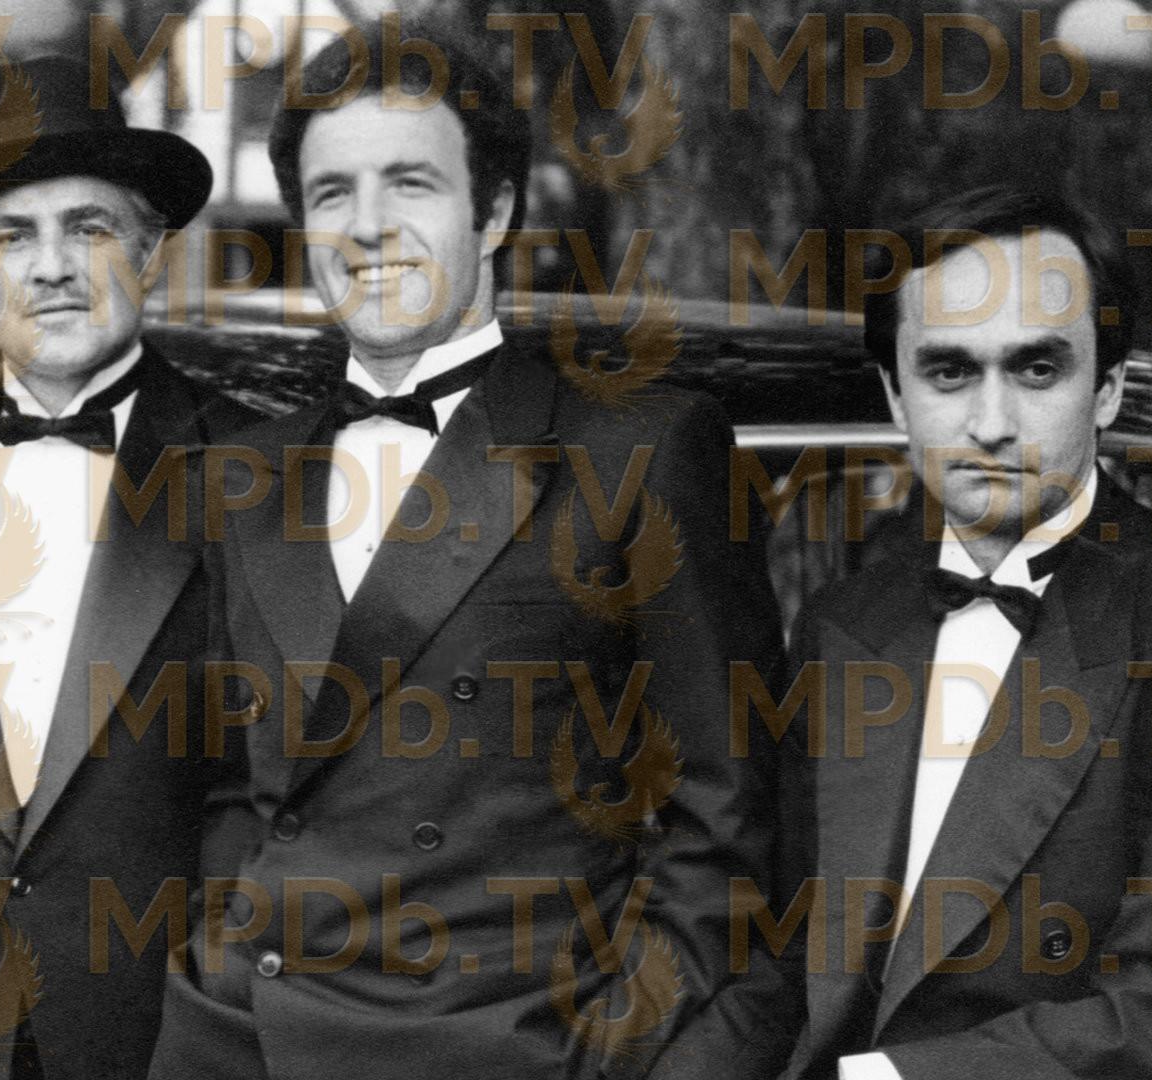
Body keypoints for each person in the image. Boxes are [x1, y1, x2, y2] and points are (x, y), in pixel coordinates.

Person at [147, 31, 793, 1080]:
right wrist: (223, 964)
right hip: (242, 1038)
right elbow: (229, 785)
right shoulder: (242, 476)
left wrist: (609, 1047)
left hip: (508, 1042)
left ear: (493, 214)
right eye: (333, 194)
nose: (368, 226)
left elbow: (723, 816)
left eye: (411, 183)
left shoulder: (641, 449)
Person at [778, 185, 1152, 1079]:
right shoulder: (842, 625)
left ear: (1108, 389)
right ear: (895, 396)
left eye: (1037, 370)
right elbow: (778, 963)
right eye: (949, 372)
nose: (991, 425)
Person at [0, 53, 256, 1080]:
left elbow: (284, 810)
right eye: (12, 236)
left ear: (150, 248)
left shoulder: (265, 479)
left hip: (165, 1046)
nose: (53, 266)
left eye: (90, 228)